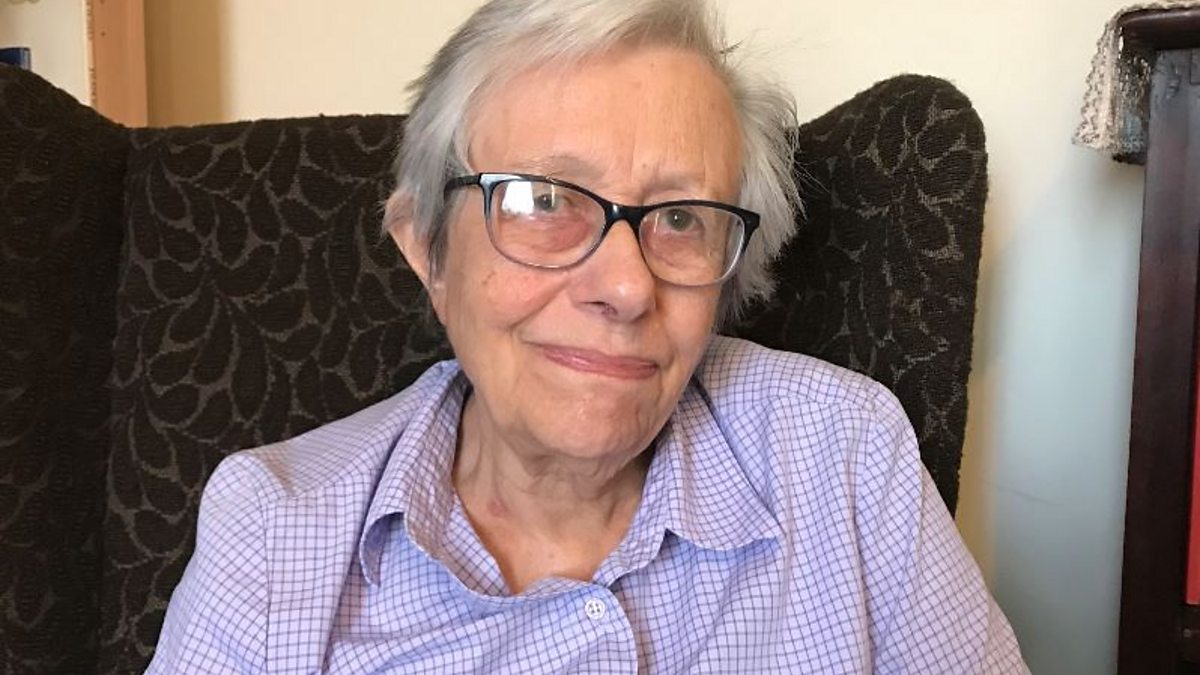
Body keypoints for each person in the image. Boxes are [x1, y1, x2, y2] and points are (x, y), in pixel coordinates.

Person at [149, 0, 1028, 672]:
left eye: (680, 217)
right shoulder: (271, 529)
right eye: (544, 201)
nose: (626, 286)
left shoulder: (845, 455)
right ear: (427, 250)